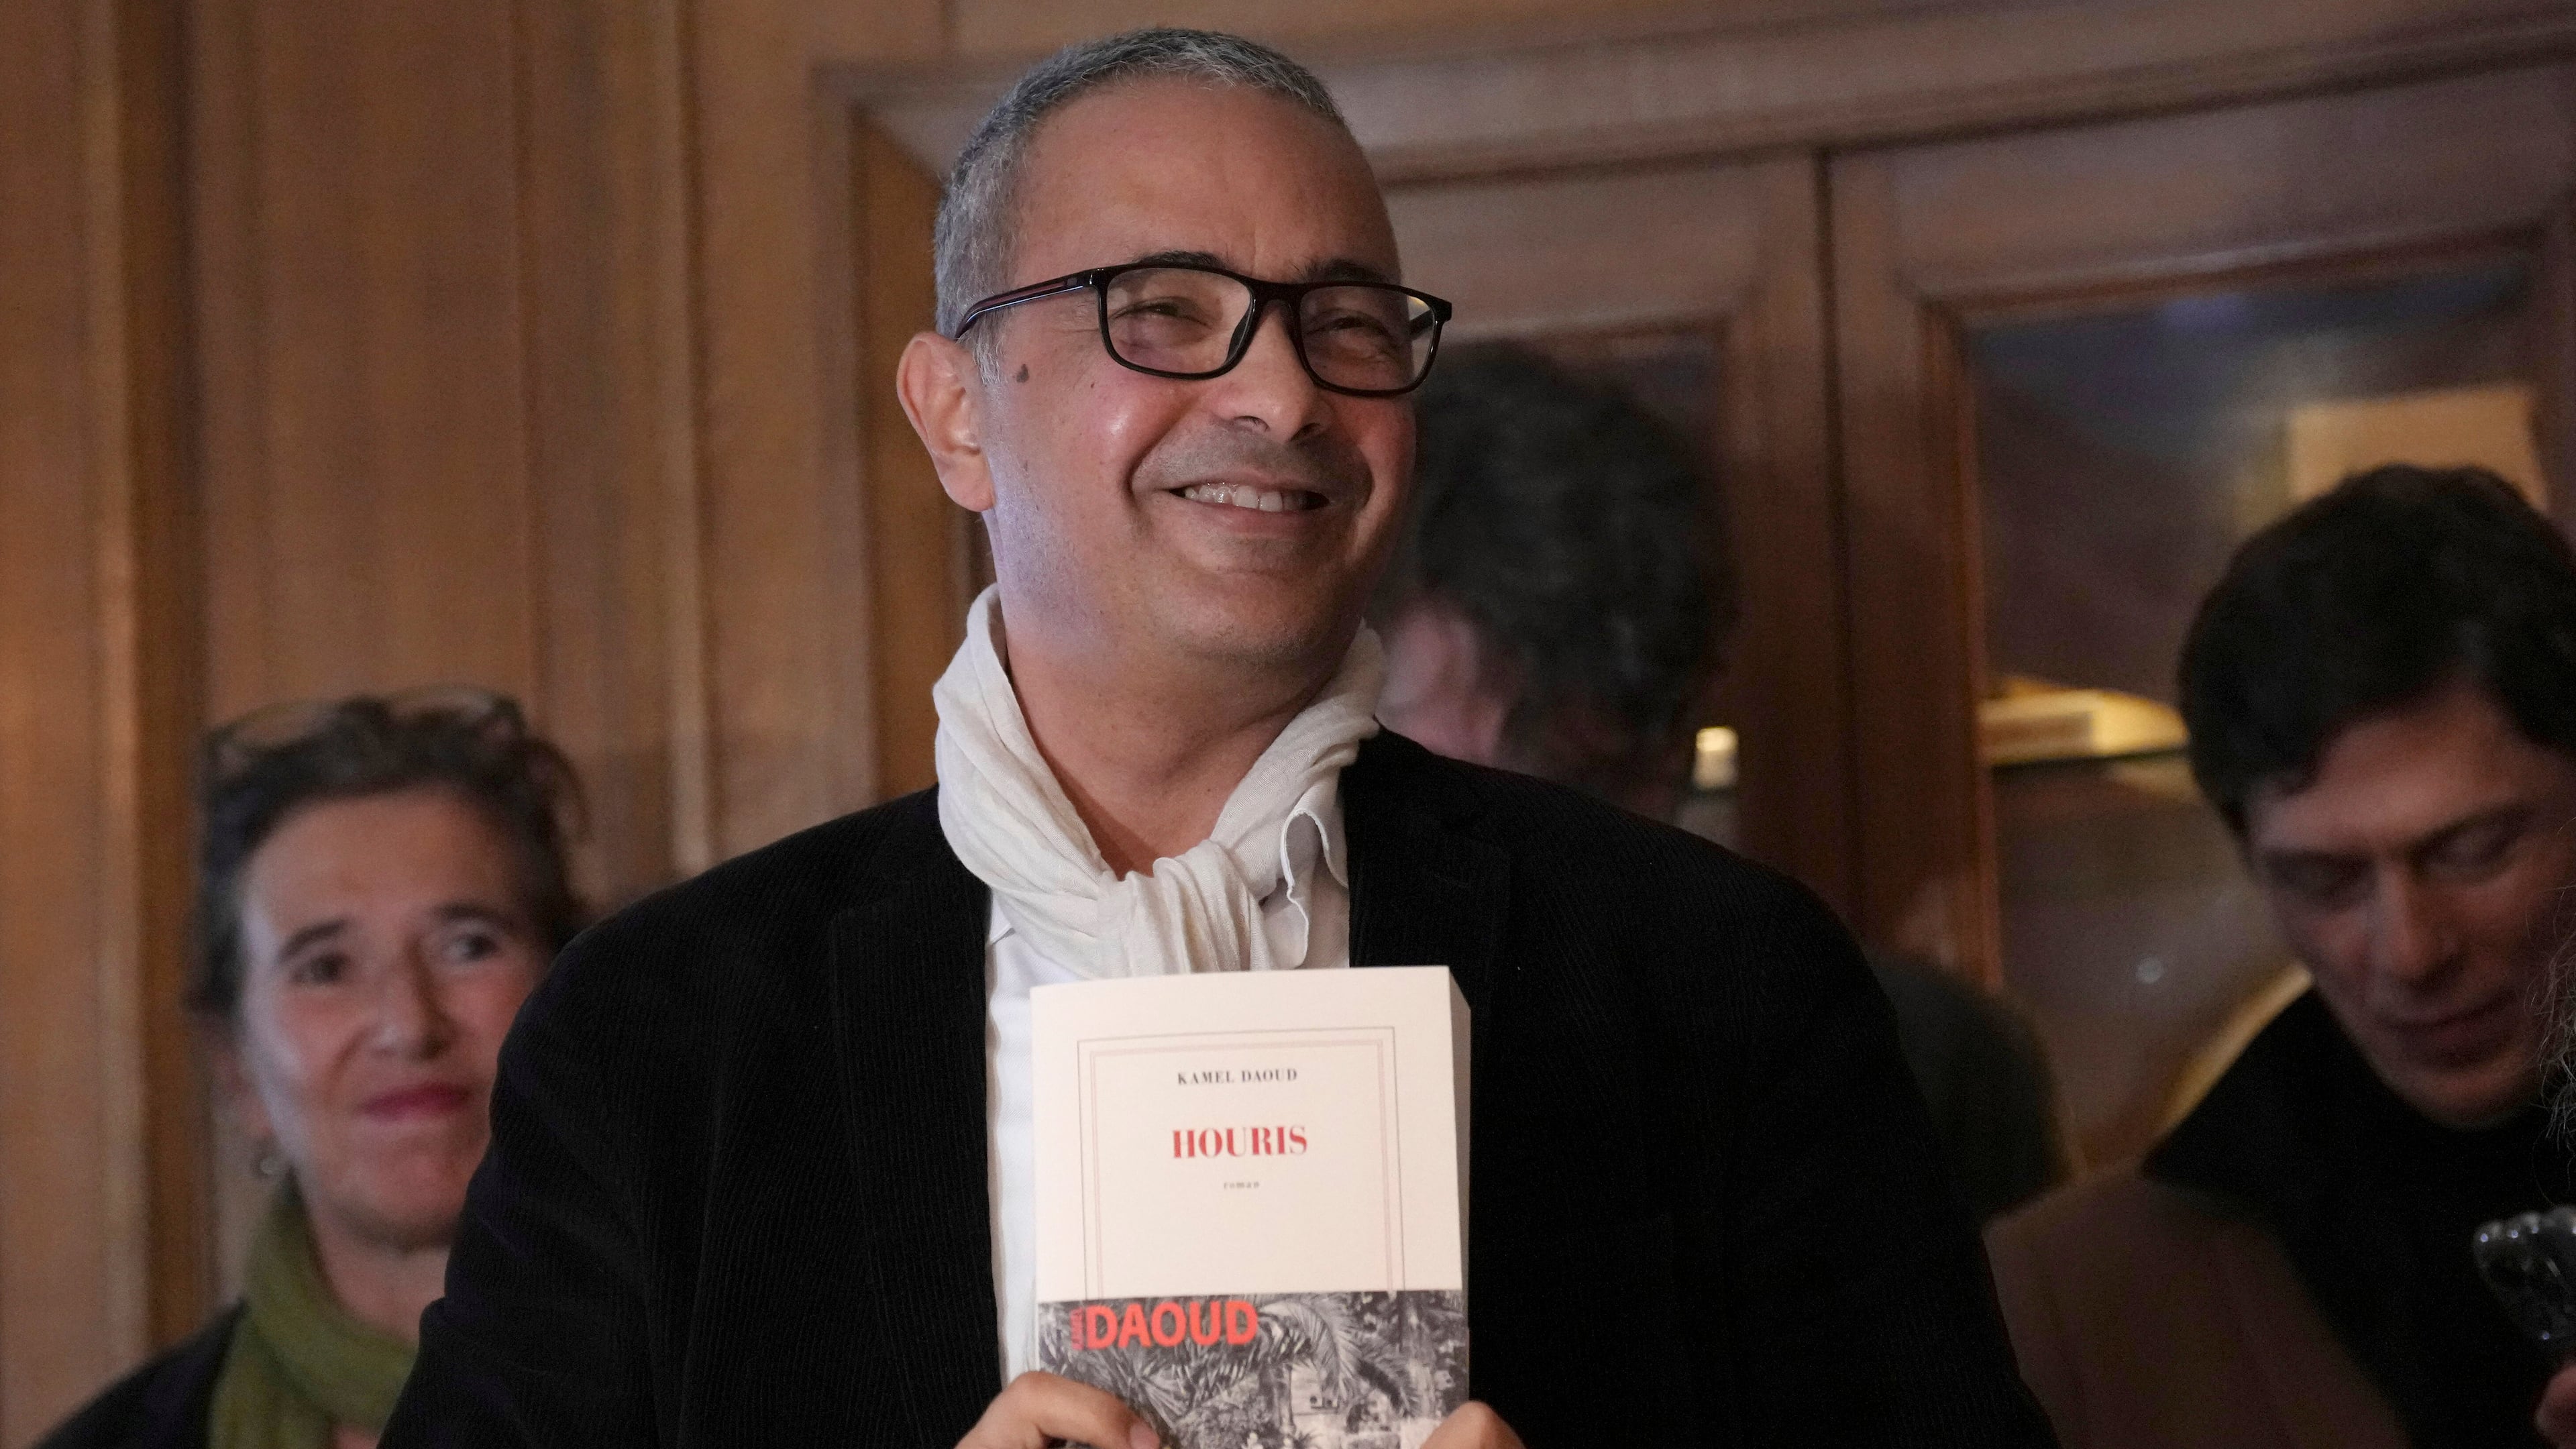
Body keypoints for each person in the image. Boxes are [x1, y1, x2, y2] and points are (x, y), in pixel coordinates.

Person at [380, 29, 2053, 1449]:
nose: (1280, 395)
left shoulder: (1709, 980)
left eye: (1343, 322)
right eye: (1163, 311)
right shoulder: (663, 1034)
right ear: (957, 410)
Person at [1374, 344, 2069, 1222]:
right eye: (1453, 795)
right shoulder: (1239, 1067)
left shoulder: (1904, 1059)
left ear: (1667, 762)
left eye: (1590, 792)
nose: (1520, 872)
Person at [1986, 464, 2576, 1449]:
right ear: (2249, 862)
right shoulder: (2080, 1305)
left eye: (2474, 851)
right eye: (2324, 880)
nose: (2410, 949)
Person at [39, 689, 586, 1449]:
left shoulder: (746, 1381)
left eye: (468, 945)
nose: (409, 1025)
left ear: (574, 998)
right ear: (236, 1069)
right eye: (325, 967)